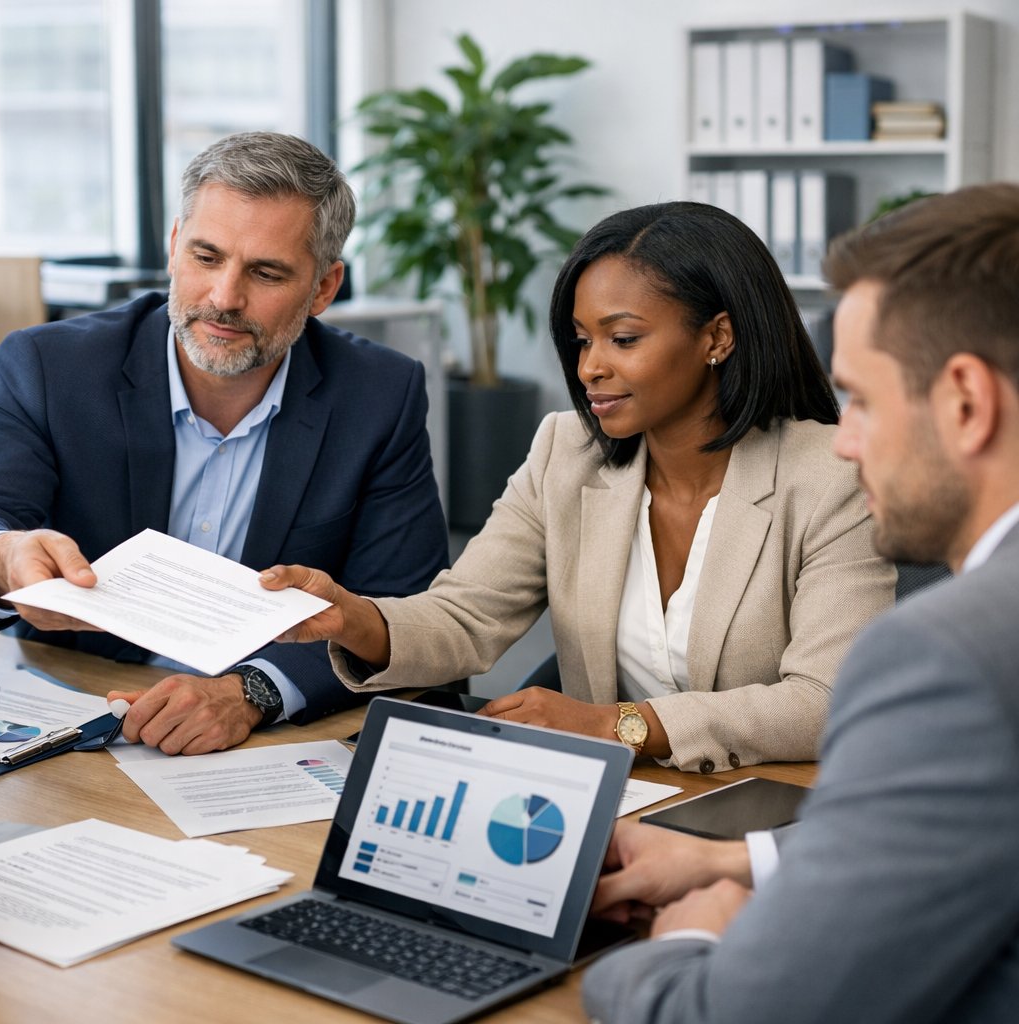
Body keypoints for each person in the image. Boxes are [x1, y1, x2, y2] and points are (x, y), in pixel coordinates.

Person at [578, 183, 1019, 1023]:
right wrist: (750, 862)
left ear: (966, 402)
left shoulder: (953, 658)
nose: (845, 440)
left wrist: (685, 941)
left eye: (862, 399)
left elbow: (721, 1014)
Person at [266, 201, 896, 772]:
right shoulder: (565, 453)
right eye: (581, 340)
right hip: (603, 802)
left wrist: (616, 726)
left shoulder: (831, 476)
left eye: (623, 339)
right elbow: (466, 616)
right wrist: (353, 618)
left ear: (717, 338)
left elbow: (824, 700)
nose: (590, 366)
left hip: (763, 812)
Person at [0, 131, 448, 755]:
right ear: (174, 247)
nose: (224, 298)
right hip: (82, 708)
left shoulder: (379, 393)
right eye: (205, 257)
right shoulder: (52, 366)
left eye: (266, 272)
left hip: (261, 741)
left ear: (324, 289)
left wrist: (254, 691)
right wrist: (2, 555)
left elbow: (401, 607)